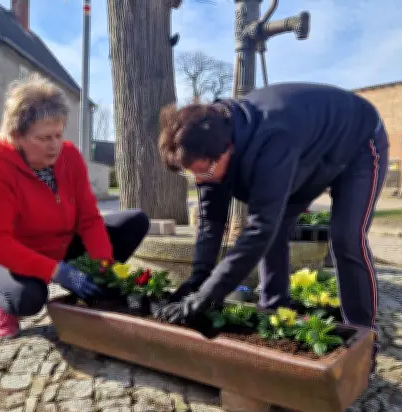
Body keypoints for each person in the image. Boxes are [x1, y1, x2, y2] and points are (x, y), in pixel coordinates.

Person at [155, 82, 388, 372]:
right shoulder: (204, 152)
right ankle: (275, 314)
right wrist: (198, 280)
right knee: (276, 233)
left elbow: (258, 228)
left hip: (358, 143)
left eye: (206, 171)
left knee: (346, 239)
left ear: (227, 149)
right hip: (306, 157)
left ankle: (364, 342)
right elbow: (211, 222)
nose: (204, 178)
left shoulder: (272, 139)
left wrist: (208, 297)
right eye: (195, 174)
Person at [0, 75, 150, 339]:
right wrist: (56, 271)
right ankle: (4, 303)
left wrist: (104, 264)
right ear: (17, 136)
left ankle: (88, 285)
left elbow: (89, 218)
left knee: (135, 222)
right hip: (9, 256)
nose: (54, 145)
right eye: (43, 138)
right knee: (28, 298)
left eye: (58, 134)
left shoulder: (69, 157)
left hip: (60, 246)